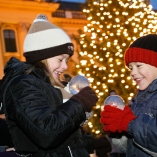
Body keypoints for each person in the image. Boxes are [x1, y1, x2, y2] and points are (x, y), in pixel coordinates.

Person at [0, 14, 109, 157]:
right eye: (60, 60)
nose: (65, 66)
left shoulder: (51, 86)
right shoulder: (23, 85)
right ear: (42, 58)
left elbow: (64, 140)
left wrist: (91, 142)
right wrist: (79, 103)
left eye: (67, 60)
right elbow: (47, 133)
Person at [100, 34, 157, 157]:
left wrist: (128, 122)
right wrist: (117, 133)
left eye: (138, 66)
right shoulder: (142, 97)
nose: (133, 73)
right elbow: (136, 146)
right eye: (130, 68)